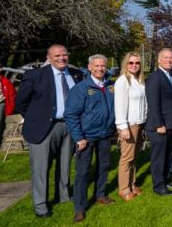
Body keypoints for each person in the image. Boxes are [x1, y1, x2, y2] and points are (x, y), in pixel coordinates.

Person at [15, 44, 83, 218]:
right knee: (41, 168)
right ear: (49, 57)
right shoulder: (35, 75)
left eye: (65, 55)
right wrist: (35, 118)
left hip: (69, 126)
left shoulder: (75, 75)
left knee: (65, 164)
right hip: (43, 128)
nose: (62, 58)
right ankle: (41, 205)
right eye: (57, 55)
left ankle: (64, 196)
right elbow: (21, 102)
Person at [65, 54, 115, 223]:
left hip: (105, 134)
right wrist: (79, 137)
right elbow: (71, 115)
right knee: (83, 172)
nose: (100, 69)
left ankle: (100, 194)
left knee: (104, 167)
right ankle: (79, 207)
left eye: (103, 66)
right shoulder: (81, 88)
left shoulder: (110, 86)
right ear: (90, 67)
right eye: (97, 66)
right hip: (86, 137)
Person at [145, 48, 172, 196]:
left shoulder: (169, 76)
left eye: (171, 58)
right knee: (159, 157)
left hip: (170, 124)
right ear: (159, 60)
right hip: (159, 126)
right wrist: (159, 124)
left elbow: (171, 102)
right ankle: (158, 186)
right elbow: (153, 103)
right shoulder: (155, 77)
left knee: (168, 155)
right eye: (165, 58)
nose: (169, 60)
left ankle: (164, 181)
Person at [114, 52, 147, 201]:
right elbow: (119, 105)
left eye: (137, 63)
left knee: (134, 157)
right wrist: (123, 127)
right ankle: (123, 188)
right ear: (125, 64)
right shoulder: (123, 81)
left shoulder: (139, 80)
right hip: (129, 124)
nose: (134, 65)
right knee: (126, 158)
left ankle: (132, 184)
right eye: (131, 63)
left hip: (140, 123)